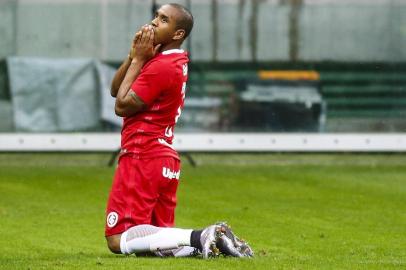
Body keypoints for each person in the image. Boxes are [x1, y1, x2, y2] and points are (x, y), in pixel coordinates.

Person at [105, 3, 253, 258]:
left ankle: (201, 236)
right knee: (157, 244)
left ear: (178, 34)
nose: (153, 23)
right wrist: (133, 56)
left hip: (143, 153)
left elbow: (121, 105)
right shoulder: (168, 60)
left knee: (118, 239)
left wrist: (139, 59)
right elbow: (115, 89)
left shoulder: (162, 66)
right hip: (163, 157)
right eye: (155, 16)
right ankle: (212, 245)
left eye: (163, 20)